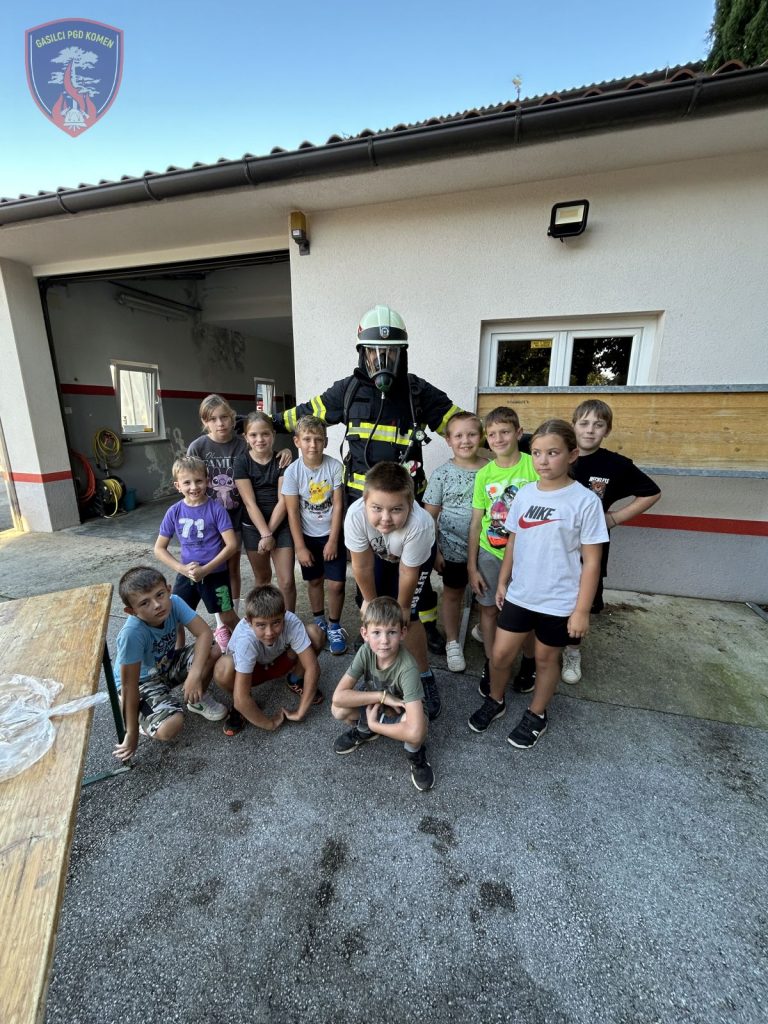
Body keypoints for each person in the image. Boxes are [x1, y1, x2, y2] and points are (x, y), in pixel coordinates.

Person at [275, 304, 462, 654]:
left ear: (402, 354)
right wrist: (259, 425)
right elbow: (304, 415)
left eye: (391, 352)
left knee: (417, 569)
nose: (382, 359)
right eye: (375, 352)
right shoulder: (347, 391)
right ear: (363, 354)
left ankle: (424, 625)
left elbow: (461, 426)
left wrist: (519, 444)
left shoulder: (417, 392)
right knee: (371, 572)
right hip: (364, 508)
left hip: (407, 507)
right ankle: (374, 624)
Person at [468, 420, 609, 748]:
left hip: (559, 600)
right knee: (500, 655)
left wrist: (581, 611)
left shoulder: (585, 501)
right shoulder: (525, 493)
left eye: (553, 453)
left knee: (546, 660)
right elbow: (514, 542)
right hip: (521, 594)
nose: (543, 461)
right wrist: (503, 582)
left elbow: (592, 562)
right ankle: (496, 699)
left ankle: (537, 713)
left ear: (572, 454)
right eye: (536, 453)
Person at [562, 399, 662, 683]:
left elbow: (652, 492)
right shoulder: (558, 454)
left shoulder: (616, 464)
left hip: (590, 548)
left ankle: (572, 651)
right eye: (584, 423)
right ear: (573, 426)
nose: (590, 430)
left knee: (581, 599)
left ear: (607, 430)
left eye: (598, 425)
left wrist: (615, 518)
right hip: (553, 542)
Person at [344, 461, 442, 719]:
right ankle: (379, 675)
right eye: (377, 508)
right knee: (376, 614)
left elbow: (408, 573)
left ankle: (423, 675)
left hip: (413, 559)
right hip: (379, 554)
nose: (386, 518)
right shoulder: (355, 515)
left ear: (410, 504)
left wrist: (403, 608)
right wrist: (370, 603)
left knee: (408, 618)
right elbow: (361, 565)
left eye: (396, 509)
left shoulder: (420, 523)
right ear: (364, 501)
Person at [113, 566, 225, 764]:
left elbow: (205, 633)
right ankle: (142, 719)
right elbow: (129, 685)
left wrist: (194, 675)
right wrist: (131, 733)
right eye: (145, 603)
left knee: (213, 650)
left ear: (169, 590)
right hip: (141, 682)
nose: (157, 605)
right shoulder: (132, 634)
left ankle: (196, 700)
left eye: (160, 594)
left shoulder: (175, 602)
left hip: (166, 665)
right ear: (131, 611)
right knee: (170, 726)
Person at [467, 407, 539, 696]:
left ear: (518, 433)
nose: (498, 438)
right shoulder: (484, 474)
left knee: (524, 613)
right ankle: (492, 663)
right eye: (492, 434)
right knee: (488, 609)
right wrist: (472, 566)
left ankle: (529, 662)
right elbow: (476, 522)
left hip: (527, 555)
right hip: (491, 552)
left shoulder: (534, 466)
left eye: (505, 432)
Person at [331, 596, 434, 791]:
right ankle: (364, 731)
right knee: (338, 710)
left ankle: (415, 756)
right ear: (365, 633)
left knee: (417, 733)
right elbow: (338, 697)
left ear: (403, 633)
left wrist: (375, 724)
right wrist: (381, 696)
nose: (384, 641)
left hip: (402, 711)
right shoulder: (366, 651)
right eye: (376, 632)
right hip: (377, 703)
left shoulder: (408, 668)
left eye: (392, 632)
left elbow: (414, 730)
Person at [214, 584, 325, 736]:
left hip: (279, 662)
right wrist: (270, 724)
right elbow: (240, 699)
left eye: (276, 622)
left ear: (284, 614)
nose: (269, 633)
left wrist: (300, 712)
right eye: (261, 625)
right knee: (223, 669)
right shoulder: (245, 639)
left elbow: (312, 667)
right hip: (253, 673)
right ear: (248, 621)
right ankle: (244, 707)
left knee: (315, 633)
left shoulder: (291, 621)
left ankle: (296, 679)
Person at [154, 456, 239, 652]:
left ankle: (247, 645)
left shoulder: (216, 509)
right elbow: (159, 548)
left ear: (207, 481)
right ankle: (177, 655)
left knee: (227, 617)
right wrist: (182, 569)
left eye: (198, 481)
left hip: (215, 574)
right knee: (175, 616)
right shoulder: (174, 512)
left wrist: (206, 570)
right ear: (178, 486)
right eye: (187, 482)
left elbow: (232, 545)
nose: (194, 487)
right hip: (187, 575)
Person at [422, 411, 486, 672]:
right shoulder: (441, 474)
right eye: (458, 436)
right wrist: (436, 551)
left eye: (471, 434)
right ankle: (452, 641)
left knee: (488, 593)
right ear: (448, 440)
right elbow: (429, 518)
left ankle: (484, 629)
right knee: (453, 594)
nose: (465, 441)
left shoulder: (492, 470)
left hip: (489, 548)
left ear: (481, 437)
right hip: (452, 547)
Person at [281, 415, 348, 655]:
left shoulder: (335, 467)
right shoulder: (292, 472)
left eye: (318, 439)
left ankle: (334, 625)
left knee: (337, 584)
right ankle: (319, 620)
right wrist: (300, 547)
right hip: (307, 537)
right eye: (307, 439)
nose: (313, 444)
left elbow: (338, 506)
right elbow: (292, 511)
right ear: (297, 441)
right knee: (315, 580)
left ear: (326, 442)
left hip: (332, 534)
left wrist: (333, 540)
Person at [187, 395, 247, 642]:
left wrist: (284, 452)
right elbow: (187, 477)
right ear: (205, 422)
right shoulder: (198, 447)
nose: (220, 423)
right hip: (208, 520)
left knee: (232, 567)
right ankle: (221, 623)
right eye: (213, 419)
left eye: (224, 417)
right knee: (212, 568)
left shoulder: (243, 444)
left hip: (235, 515)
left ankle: (232, 614)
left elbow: (262, 456)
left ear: (232, 418)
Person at [233, 411, 297, 612]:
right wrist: (265, 534)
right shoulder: (242, 462)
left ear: (273, 435)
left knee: (287, 582)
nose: (259, 439)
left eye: (265, 434)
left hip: (281, 525)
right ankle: (264, 619)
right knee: (262, 579)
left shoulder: (283, 460)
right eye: (253, 435)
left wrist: (269, 533)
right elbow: (249, 502)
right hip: (253, 527)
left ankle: (289, 621)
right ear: (246, 437)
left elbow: (283, 500)